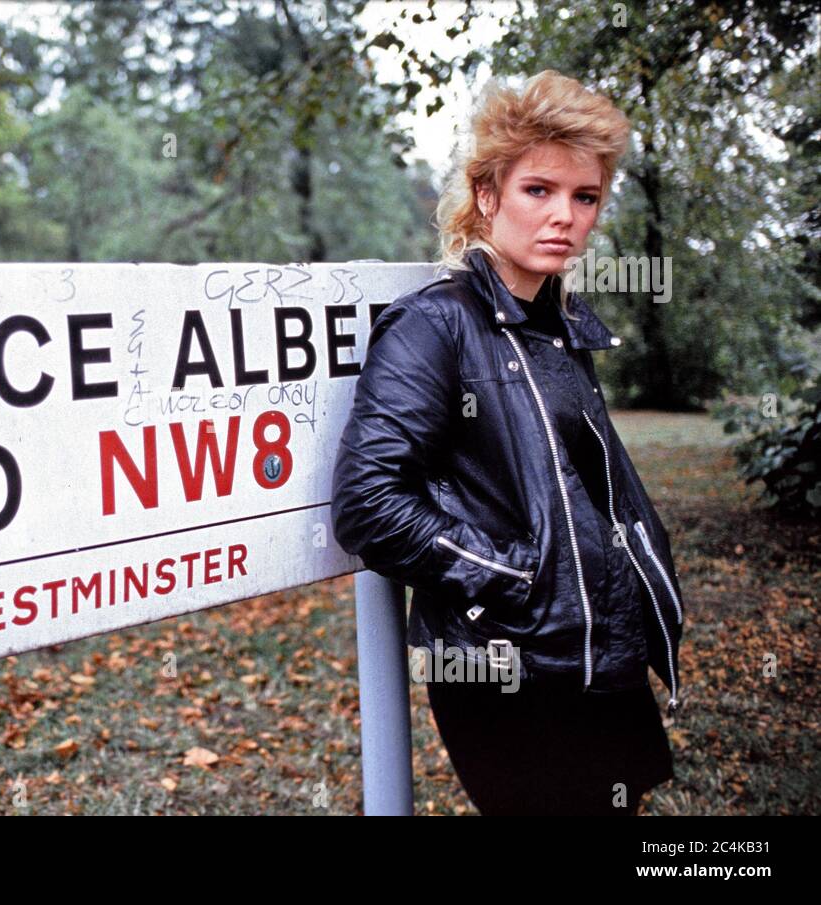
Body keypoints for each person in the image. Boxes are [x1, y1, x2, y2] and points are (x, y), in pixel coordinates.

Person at [331, 70, 687, 816]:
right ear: (487, 194)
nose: (564, 216)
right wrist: (521, 577)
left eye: (584, 197)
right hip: (509, 664)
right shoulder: (435, 325)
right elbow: (369, 505)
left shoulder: (562, 327)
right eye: (539, 190)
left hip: (595, 649)